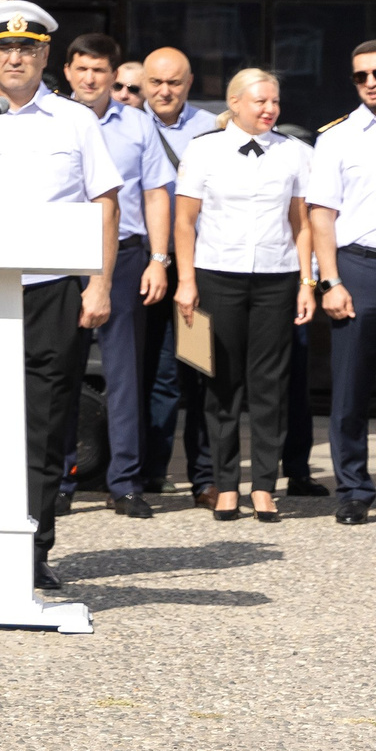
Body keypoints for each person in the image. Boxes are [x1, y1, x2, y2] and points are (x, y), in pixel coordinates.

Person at [0, 2, 119, 593]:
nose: (15, 57)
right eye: (5, 48)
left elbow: (104, 201)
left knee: (46, 424)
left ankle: (34, 548)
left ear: (45, 57)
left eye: (28, 49)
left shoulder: (74, 121)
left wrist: (100, 282)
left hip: (53, 292)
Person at [171, 68, 314, 523]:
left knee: (270, 386)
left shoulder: (295, 153)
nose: (270, 109)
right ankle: (226, 483)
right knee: (220, 384)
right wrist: (187, 281)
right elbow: (184, 222)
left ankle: (265, 486)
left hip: (276, 277)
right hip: (216, 276)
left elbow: (302, 223)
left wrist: (307, 283)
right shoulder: (204, 150)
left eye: (274, 102)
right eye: (260, 102)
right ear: (234, 103)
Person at [61, 33, 174, 518]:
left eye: (100, 70)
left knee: (126, 373)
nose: (90, 78)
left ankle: (125, 482)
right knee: (59, 370)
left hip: (125, 256)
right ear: (68, 71)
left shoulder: (138, 126)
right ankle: (59, 479)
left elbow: (156, 194)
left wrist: (158, 258)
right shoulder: (51, 121)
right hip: (59, 257)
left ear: (114, 75)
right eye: (82, 69)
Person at [139, 46, 224, 502]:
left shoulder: (212, 128)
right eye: (156, 82)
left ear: (189, 83)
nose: (164, 91)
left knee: (197, 369)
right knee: (152, 372)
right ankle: (148, 471)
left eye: (174, 82)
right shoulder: (130, 125)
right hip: (149, 266)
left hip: (195, 269)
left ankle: (204, 477)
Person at [310, 39, 376, 527]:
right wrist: (329, 280)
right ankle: (354, 488)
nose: (371, 82)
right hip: (358, 266)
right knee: (350, 388)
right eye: (361, 76)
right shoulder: (337, 137)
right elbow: (322, 216)